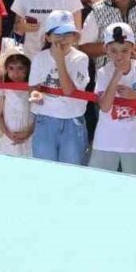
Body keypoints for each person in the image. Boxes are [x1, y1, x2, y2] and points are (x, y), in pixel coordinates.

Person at [91, 21, 136, 176]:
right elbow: (105, 107)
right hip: (106, 140)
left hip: (133, 141)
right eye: (113, 51)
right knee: (99, 182)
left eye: (124, 50)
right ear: (106, 49)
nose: (119, 55)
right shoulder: (103, 73)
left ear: (133, 48)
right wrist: (116, 77)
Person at [28, 9, 90, 165]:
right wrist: (35, 94)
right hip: (45, 118)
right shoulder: (39, 58)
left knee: (72, 168)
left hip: (72, 119)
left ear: (75, 36)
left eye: (68, 33)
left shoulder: (80, 58)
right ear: (48, 37)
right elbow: (33, 86)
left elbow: (69, 91)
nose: (63, 39)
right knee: (44, 168)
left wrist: (60, 60)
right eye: (58, 34)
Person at [0, 48, 34, 156]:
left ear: (28, 69)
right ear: (6, 69)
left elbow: (38, 114)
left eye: (20, 68)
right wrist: (8, 134)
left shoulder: (33, 88)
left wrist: (28, 132)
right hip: (8, 135)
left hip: (30, 135)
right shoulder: (2, 88)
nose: (16, 73)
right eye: (11, 68)